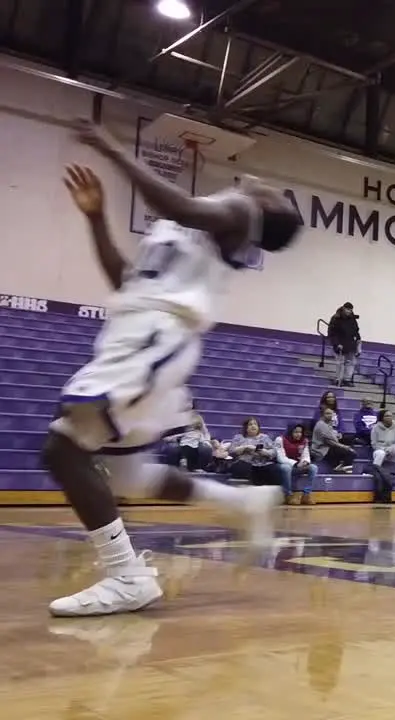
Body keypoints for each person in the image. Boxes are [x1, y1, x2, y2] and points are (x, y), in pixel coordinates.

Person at [44, 120, 301, 617]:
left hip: (155, 337)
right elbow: (127, 279)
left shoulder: (239, 211)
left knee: (63, 448)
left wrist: (112, 146)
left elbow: (175, 205)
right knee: (129, 474)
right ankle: (242, 504)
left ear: (267, 210)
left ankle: (126, 576)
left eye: (278, 194)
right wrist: (96, 219)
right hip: (142, 330)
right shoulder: (195, 230)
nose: (266, 185)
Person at [278, 422, 318, 505]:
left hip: (297, 466)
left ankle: (306, 494)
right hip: (282, 466)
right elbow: (280, 458)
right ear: (290, 431)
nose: (298, 434)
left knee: (313, 467)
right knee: (286, 468)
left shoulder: (304, 441)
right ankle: (288, 495)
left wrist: (305, 462)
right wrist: (295, 464)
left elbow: (306, 455)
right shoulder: (280, 439)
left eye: (300, 432)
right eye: (296, 432)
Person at [328, 303, 360, 387]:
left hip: (351, 344)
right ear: (343, 308)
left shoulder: (352, 319)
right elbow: (332, 333)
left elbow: (356, 331)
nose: (349, 311)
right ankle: (338, 379)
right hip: (340, 344)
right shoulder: (336, 318)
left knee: (350, 363)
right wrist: (337, 343)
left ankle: (347, 379)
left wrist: (358, 341)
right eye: (347, 309)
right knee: (340, 363)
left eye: (350, 310)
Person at [371, 409, 395, 476]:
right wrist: (383, 449)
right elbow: (374, 444)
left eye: (390, 416)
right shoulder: (375, 428)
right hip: (380, 450)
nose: (389, 417)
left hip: (391, 451)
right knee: (380, 453)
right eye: (387, 416)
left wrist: (390, 449)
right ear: (382, 418)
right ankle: (375, 471)